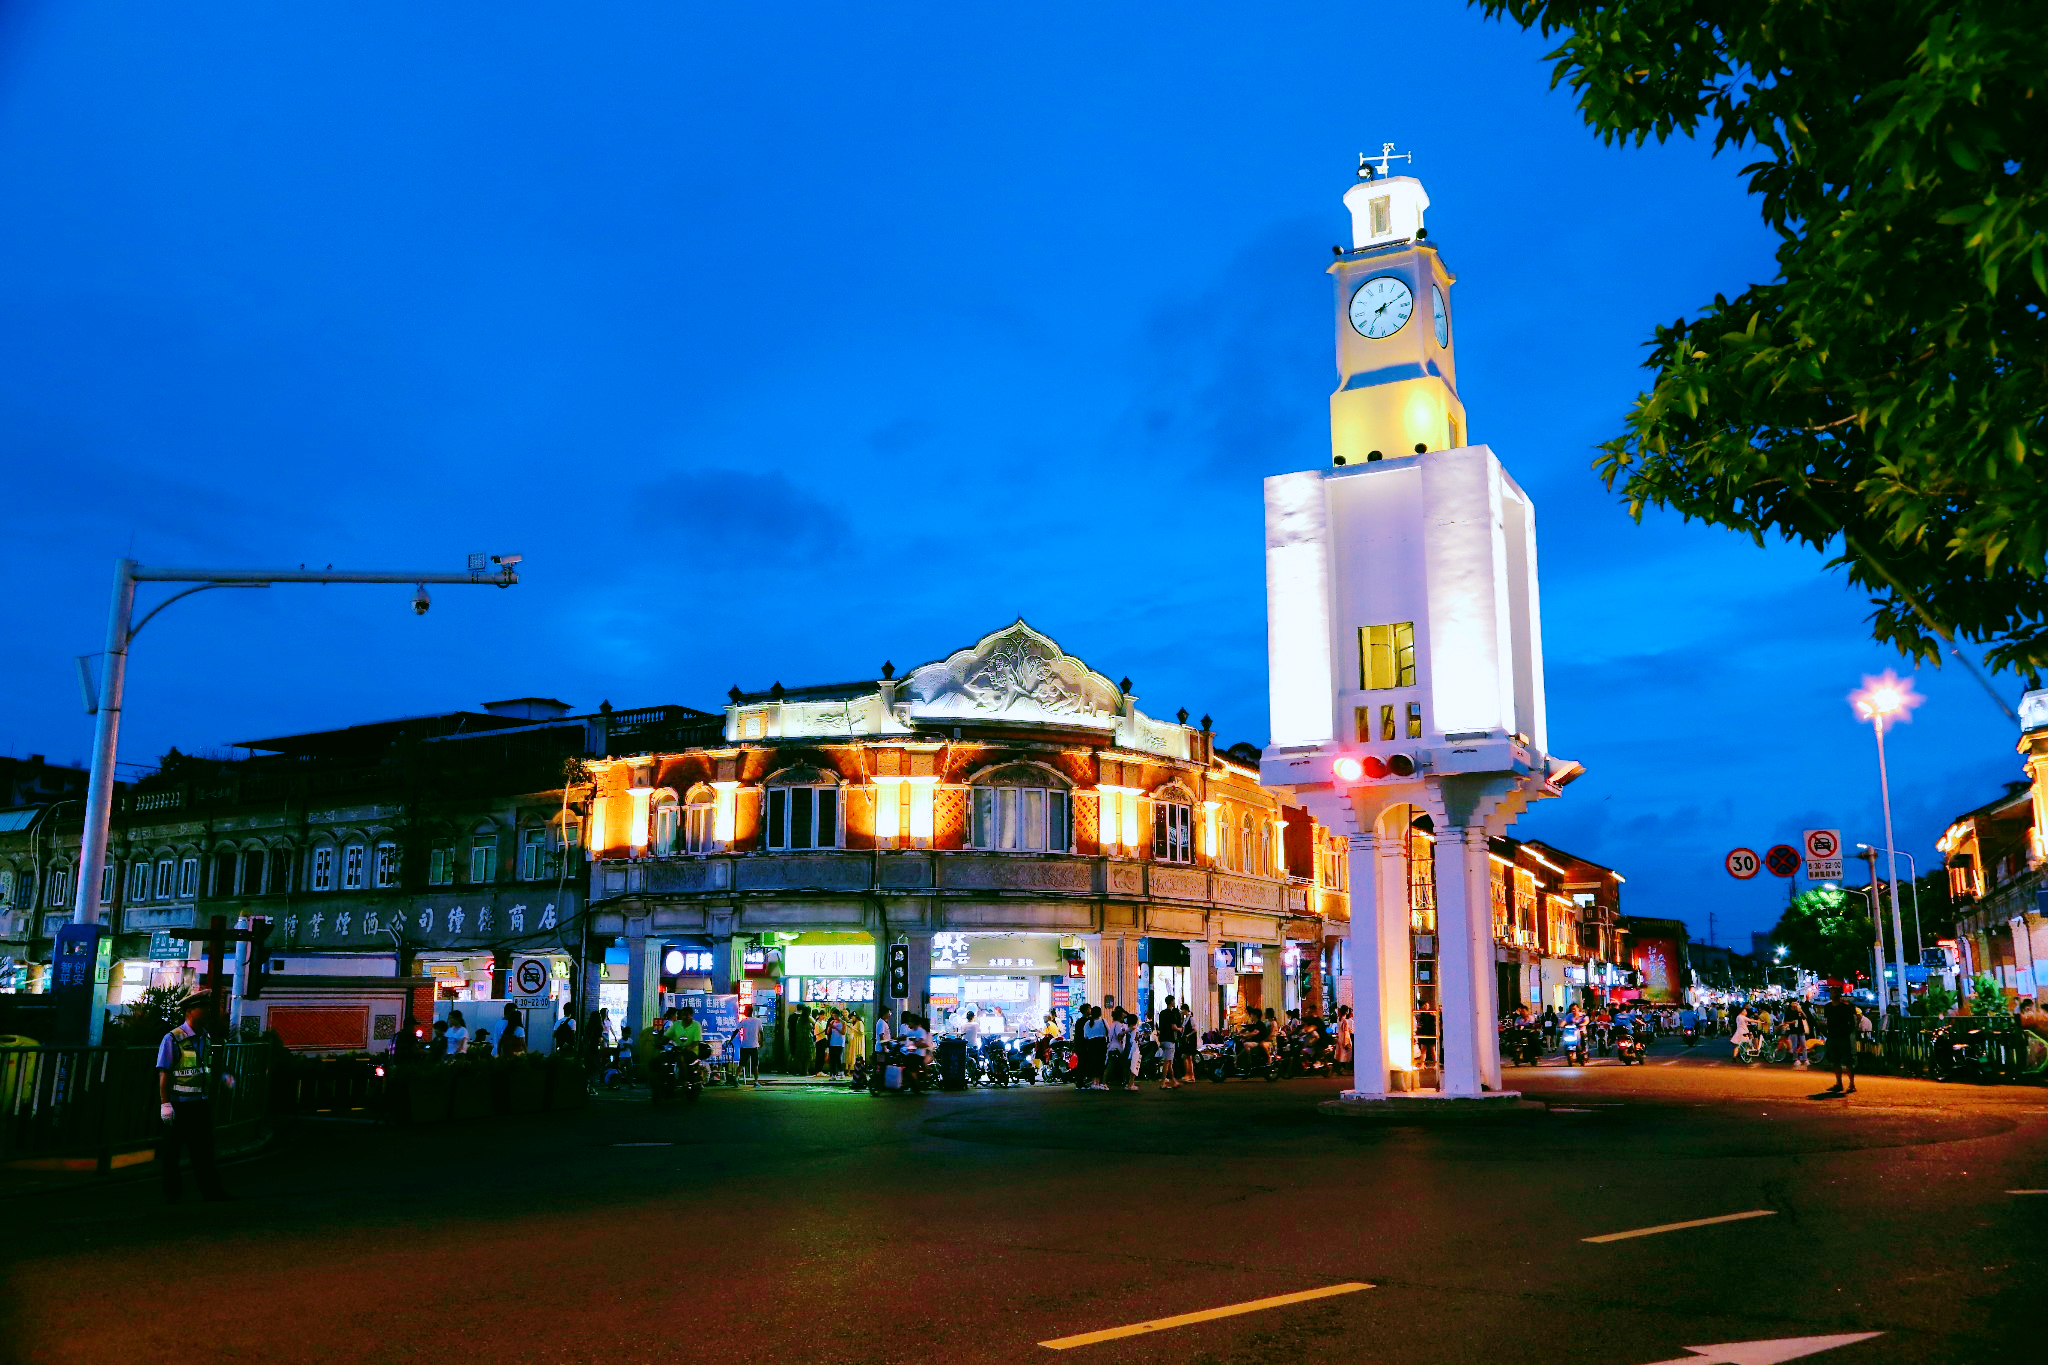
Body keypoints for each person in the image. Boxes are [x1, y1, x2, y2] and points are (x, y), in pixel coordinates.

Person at [156, 992, 231, 1203]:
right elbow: (164, 1072)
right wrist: (165, 1104)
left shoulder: (205, 1036)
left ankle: (212, 1192)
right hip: (178, 1105)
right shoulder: (172, 1038)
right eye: (203, 1007)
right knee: (171, 1153)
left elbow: (206, 1065)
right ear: (190, 1011)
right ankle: (172, 1194)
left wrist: (224, 1076)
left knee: (204, 1152)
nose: (207, 1012)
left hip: (200, 1104)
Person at [1823, 988, 1860, 1094]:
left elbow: (1852, 1022)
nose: (1832, 994)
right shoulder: (1828, 1007)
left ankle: (1852, 1084)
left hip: (1843, 1037)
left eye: (1835, 992)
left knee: (1847, 1060)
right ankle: (1839, 1083)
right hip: (1832, 1037)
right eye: (1831, 992)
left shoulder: (1845, 1007)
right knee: (1835, 1061)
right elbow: (1826, 1021)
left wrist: (1847, 1032)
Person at [734, 1004, 764, 1087]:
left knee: (742, 1064)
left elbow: (736, 1030)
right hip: (754, 1046)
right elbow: (761, 1032)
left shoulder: (744, 1021)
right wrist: (761, 1041)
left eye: (745, 1010)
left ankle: (736, 1078)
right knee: (755, 1065)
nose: (743, 1012)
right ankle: (756, 1081)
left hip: (745, 1046)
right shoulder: (758, 1021)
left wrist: (731, 1039)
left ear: (748, 1011)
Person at [1080, 1005, 1108, 1089]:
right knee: (1100, 1063)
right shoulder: (1103, 1021)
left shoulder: (1087, 1023)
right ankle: (1098, 1082)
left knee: (1092, 1062)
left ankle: (1093, 1082)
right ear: (1100, 1013)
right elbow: (1108, 1032)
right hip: (1101, 1043)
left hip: (1091, 1044)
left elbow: (1085, 1036)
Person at [826, 1011, 847, 1077]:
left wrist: (836, 1028)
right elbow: (828, 1031)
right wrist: (830, 1026)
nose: (834, 1017)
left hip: (839, 1042)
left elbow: (843, 1032)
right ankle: (833, 1074)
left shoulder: (843, 1023)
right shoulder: (832, 1022)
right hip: (832, 1041)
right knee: (832, 1058)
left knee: (838, 1057)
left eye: (835, 1016)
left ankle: (840, 1071)